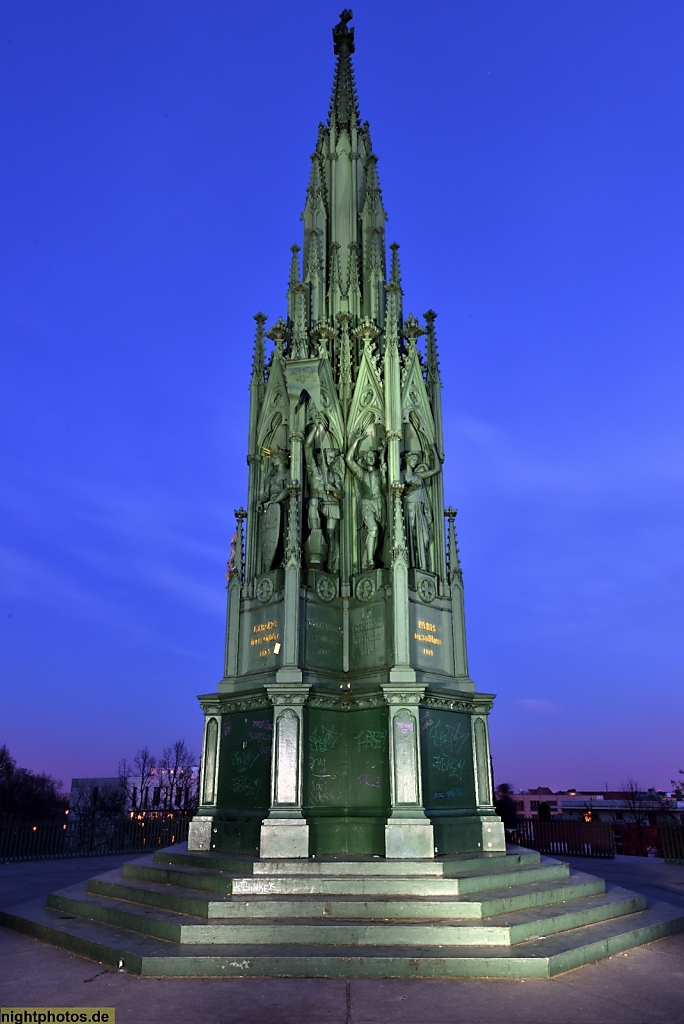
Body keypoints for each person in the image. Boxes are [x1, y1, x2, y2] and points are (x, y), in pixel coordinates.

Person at [346, 430, 386, 570]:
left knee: (380, 536)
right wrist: (356, 440)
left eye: (372, 455)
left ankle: (373, 558)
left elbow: (386, 488)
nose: (370, 457)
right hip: (367, 504)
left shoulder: (380, 472)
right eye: (368, 455)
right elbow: (349, 460)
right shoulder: (361, 474)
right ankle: (369, 560)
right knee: (373, 528)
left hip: (380, 504)